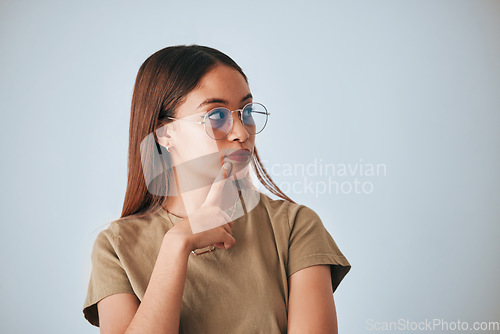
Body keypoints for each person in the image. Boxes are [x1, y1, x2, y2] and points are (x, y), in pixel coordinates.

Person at [82, 44, 351, 334]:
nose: (241, 132)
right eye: (216, 116)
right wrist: (177, 244)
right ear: (165, 132)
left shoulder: (294, 227)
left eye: (246, 111)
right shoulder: (116, 247)